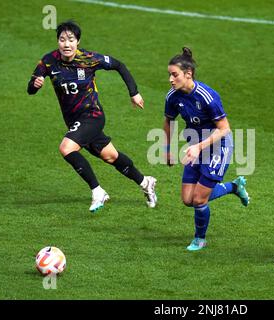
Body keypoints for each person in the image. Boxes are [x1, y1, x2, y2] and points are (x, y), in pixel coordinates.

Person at [27, 20, 157, 212]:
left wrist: (134, 92)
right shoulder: (48, 61)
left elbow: (119, 65)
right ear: (58, 42)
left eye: (71, 39)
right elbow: (30, 89)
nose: (66, 44)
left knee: (66, 148)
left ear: (78, 41)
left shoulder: (88, 58)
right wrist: (35, 85)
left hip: (92, 115)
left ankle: (98, 191)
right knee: (111, 156)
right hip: (74, 122)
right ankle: (146, 182)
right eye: (62, 39)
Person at [163, 47, 250, 251]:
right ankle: (234, 187)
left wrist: (198, 147)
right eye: (169, 74)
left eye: (174, 75)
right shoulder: (172, 96)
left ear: (188, 74)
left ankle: (200, 238)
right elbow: (168, 121)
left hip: (218, 146)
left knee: (199, 199)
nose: (170, 79)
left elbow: (224, 128)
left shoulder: (207, 96)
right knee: (187, 200)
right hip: (197, 146)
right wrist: (167, 148)